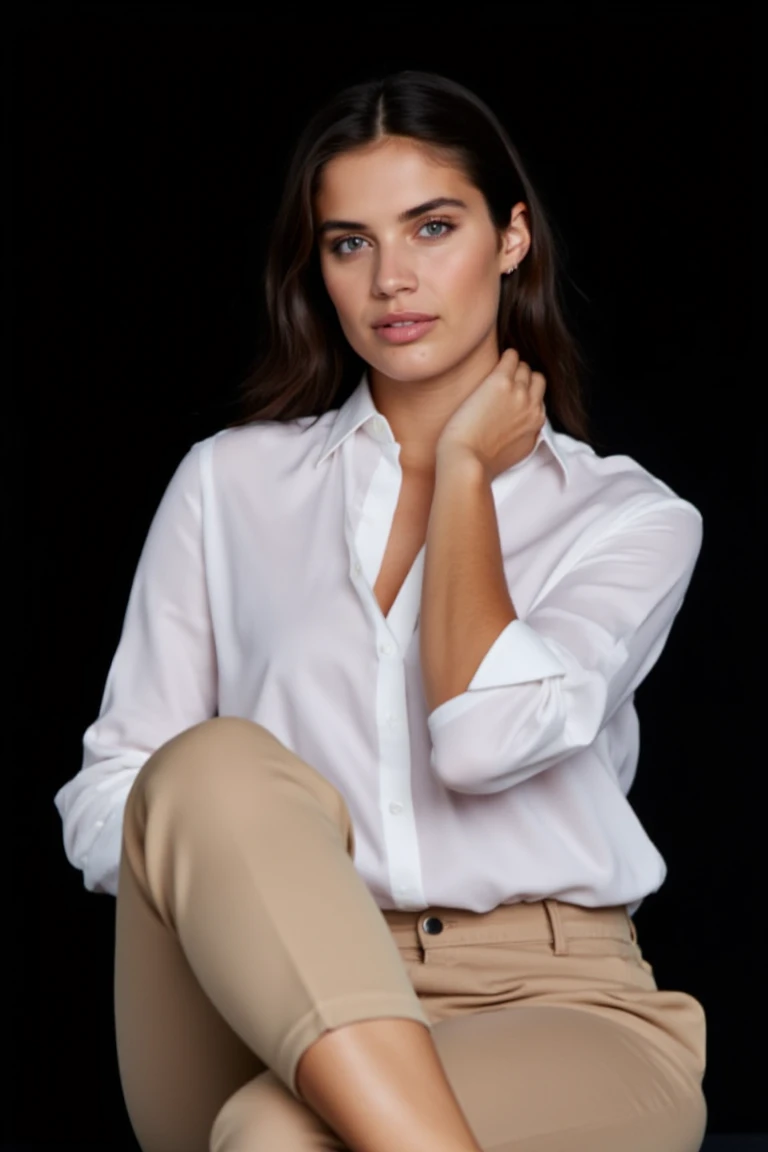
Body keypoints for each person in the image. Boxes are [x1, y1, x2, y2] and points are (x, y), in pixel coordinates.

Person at [53, 70, 708, 1152]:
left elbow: (483, 734)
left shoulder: (626, 517)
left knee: (280, 1138)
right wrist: (264, 870)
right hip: (248, 1005)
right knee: (208, 764)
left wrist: (461, 478)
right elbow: (111, 795)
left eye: (433, 227)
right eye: (349, 242)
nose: (392, 280)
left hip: (553, 1006)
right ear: (316, 267)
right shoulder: (230, 487)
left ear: (512, 238)